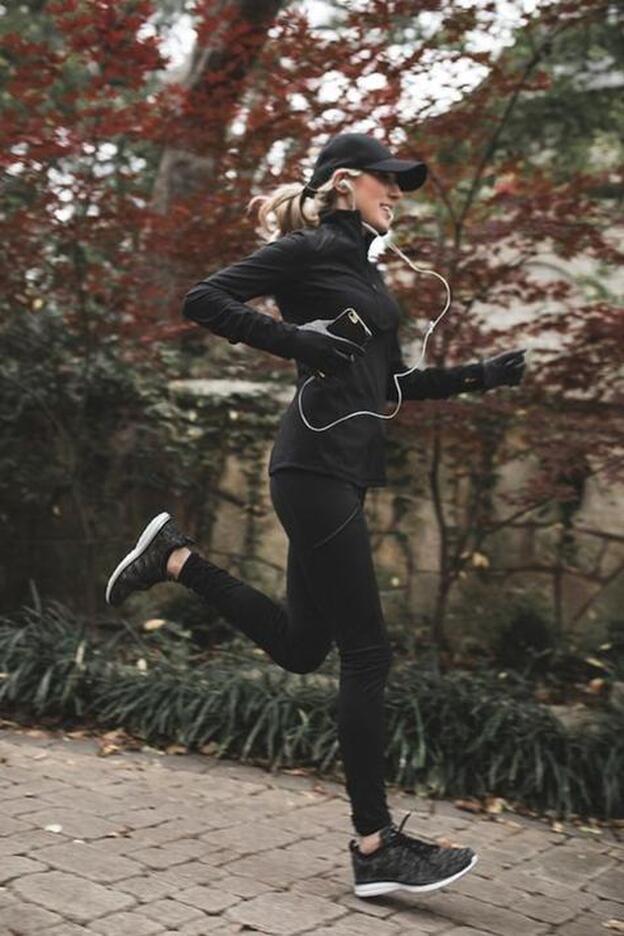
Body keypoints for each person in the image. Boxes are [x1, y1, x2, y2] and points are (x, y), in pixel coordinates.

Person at [105, 132, 525, 898]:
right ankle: (375, 848)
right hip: (311, 468)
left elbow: (390, 389)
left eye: (401, 185)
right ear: (344, 184)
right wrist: (296, 339)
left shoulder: (364, 275)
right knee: (367, 654)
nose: (397, 194)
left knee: (304, 648)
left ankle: (175, 558)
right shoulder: (310, 250)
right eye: (385, 182)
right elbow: (205, 298)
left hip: (342, 470)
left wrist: (479, 376)